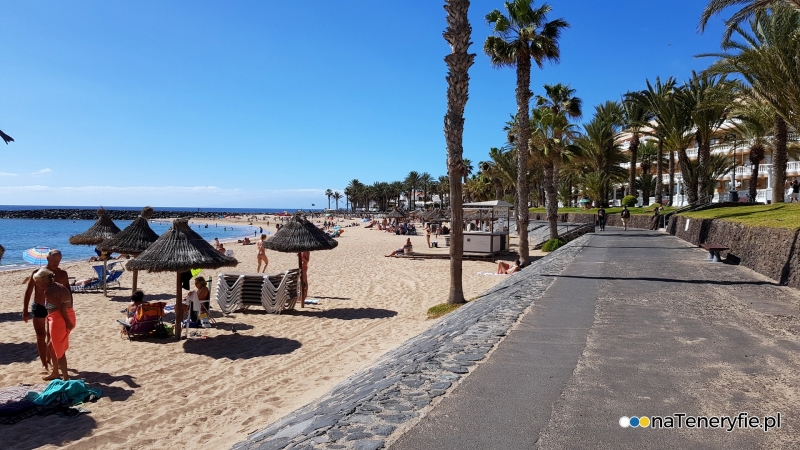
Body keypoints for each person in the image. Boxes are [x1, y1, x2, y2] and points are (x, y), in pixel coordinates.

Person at [22, 249, 71, 374]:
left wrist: (69, 309)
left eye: (58, 261)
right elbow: (28, 292)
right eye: (54, 260)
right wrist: (25, 310)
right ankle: (44, 364)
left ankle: (52, 361)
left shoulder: (62, 274)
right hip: (39, 306)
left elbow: (68, 292)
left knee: (52, 337)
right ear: (47, 258)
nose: (56, 263)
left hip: (54, 308)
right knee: (40, 336)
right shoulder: (37, 273)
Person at [33, 269, 75, 381]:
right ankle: (55, 372)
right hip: (66, 316)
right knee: (51, 346)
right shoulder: (58, 285)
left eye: (37, 281)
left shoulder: (49, 291)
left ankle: (66, 378)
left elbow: (61, 307)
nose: (37, 284)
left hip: (60, 319)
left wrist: (67, 322)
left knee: (59, 350)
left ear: (43, 279)